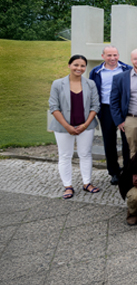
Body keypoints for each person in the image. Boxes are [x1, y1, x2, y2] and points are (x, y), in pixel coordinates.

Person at [49, 55, 101, 199]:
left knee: (85, 154)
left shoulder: (90, 84)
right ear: (69, 65)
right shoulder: (57, 84)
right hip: (63, 127)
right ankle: (68, 186)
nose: (79, 68)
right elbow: (54, 107)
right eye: (76, 65)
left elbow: (95, 106)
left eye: (82, 66)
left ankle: (87, 183)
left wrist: (85, 125)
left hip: (86, 127)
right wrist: (67, 127)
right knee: (65, 156)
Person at [89, 45, 131, 185]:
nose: (112, 58)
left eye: (115, 55)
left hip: (124, 109)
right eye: (109, 55)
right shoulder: (96, 72)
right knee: (109, 141)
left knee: (127, 141)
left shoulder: (127, 69)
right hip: (106, 109)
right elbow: (92, 92)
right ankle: (114, 172)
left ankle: (128, 170)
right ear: (103, 56)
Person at [110, 49, 137, 158]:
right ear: (131, 60)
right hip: (133, 119)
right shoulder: (120, 78)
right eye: (135, 59)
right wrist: (119, 121)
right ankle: (135, 170)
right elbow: (114, 101)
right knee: (134, 151)